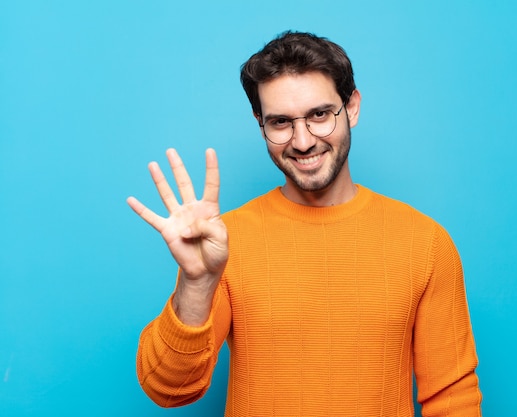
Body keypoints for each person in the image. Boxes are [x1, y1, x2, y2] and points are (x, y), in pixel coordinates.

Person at [127, 31, 482, 417]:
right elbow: (168, 389)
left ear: (353, 107)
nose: (302, 141)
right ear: (260, 123)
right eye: (280, 122)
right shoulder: (225, 243)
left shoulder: (424, 242)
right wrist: (196, 285)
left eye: (319, 115)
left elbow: (453, 398)